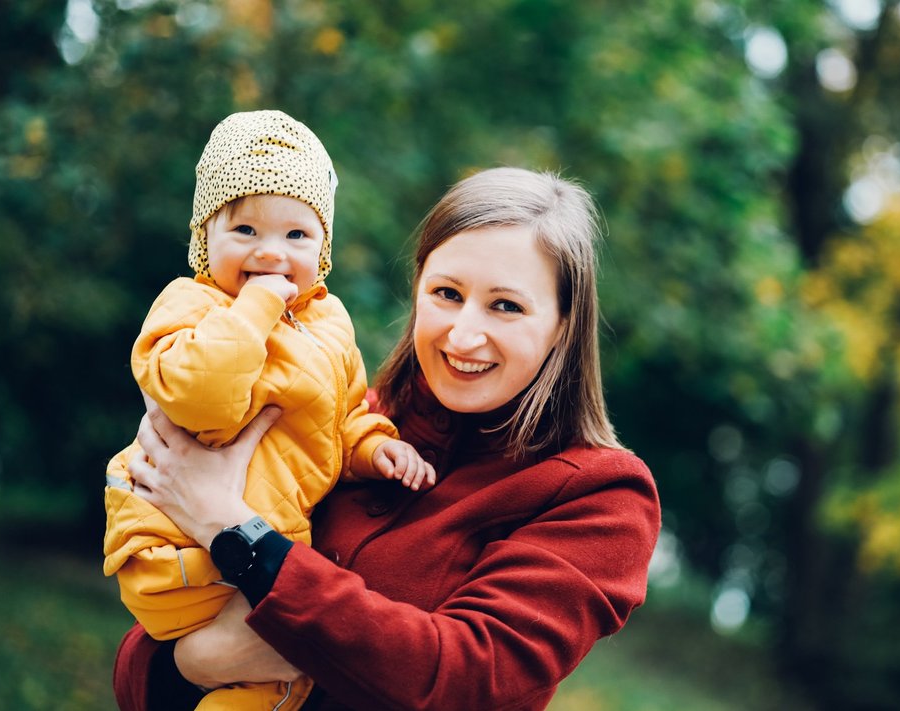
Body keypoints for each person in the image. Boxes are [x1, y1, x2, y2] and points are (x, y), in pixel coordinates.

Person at [113, 166, 662, 710]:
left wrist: (229, 526)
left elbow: (463, 677)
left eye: (506, 305)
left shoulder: (602, 497)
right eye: (447, 293)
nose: (465, 334)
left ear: (565, 323)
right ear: (418, 287)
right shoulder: (354, 424)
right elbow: (142, 660)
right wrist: (198, 661)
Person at [103, 110, 433, 711]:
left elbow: (343, 413)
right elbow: (200, 396)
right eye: (246, 231)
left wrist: (374, 448)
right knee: (284, 659)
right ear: (206, 240)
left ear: (323, 250)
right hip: (174, 549)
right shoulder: (192, 305)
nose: (271, 254)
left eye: (296, 236)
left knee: (271, 687)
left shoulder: (329, 324)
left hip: (253, 549)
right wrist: (252, 311)